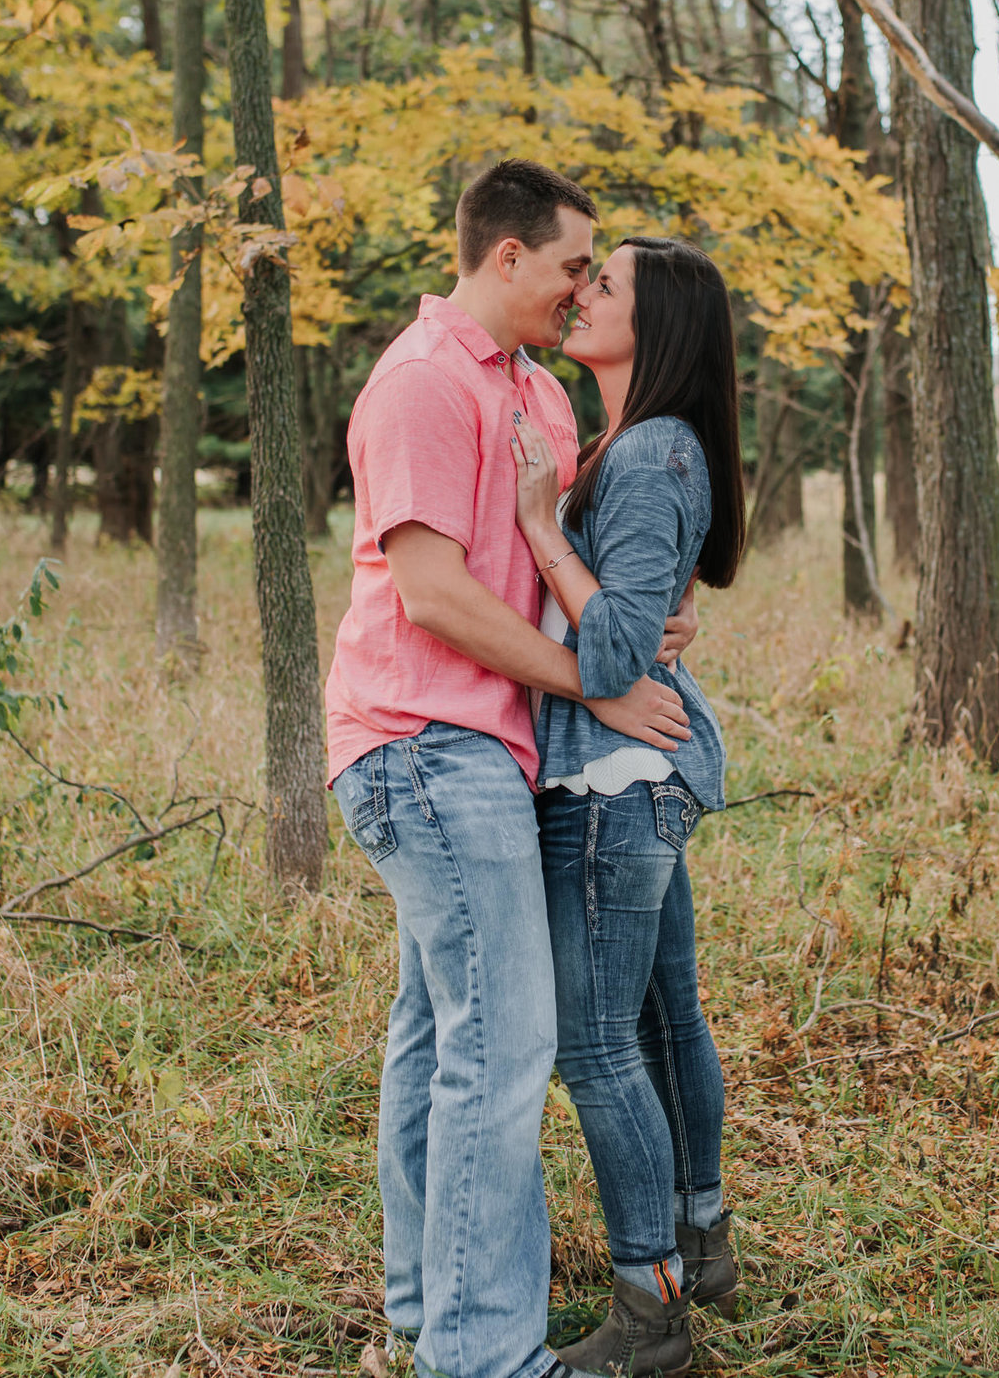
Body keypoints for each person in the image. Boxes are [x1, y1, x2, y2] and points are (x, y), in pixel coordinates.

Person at [324, 163, 699, 1378]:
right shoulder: (423, 383)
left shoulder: (539, 394)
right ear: (504, 258)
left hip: (498, 750)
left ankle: (425, 1312)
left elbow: (565, 573)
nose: (584, 285)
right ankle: (484, 1356)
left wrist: (636, 629)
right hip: (421, 741)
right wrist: (595, 680)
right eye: (572, 265)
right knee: (502, 1041)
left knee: (439, 1037)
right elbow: (432, 594)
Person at [507, 237, 747, 1378]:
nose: (580, 291)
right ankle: (701, 1245)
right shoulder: (638, 444)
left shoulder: (648, 452)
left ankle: (651, 1318)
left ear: (655, 329)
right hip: (633, 780)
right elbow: (637, 617)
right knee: (663, 1021)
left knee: (599, 1047)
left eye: (604, 285)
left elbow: (607, 651)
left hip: (611, 788)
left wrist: (544, 524)